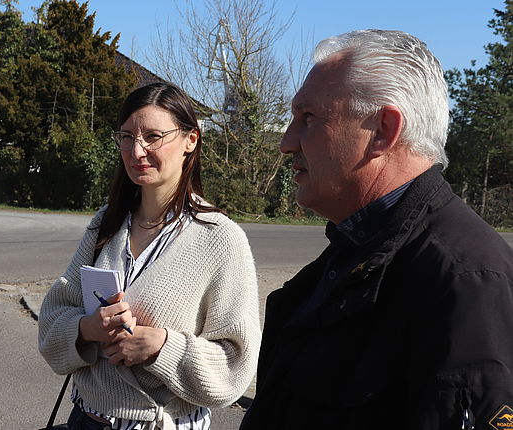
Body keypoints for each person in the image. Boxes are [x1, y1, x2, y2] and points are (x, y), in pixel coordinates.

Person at [240, 29, 513, 429]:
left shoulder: (465, 282)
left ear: (383, 130)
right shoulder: (353, 252)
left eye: (309, 117)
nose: (286, 142)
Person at [38, 82, 261, 430]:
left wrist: (162, 347)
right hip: (85, 419)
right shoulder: (106, 223)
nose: (137, 150)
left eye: (153, 136)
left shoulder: (219, 239)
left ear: (191, 140)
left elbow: (237, 364)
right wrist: (87, 328)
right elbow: (52, 320)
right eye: (126, 137)